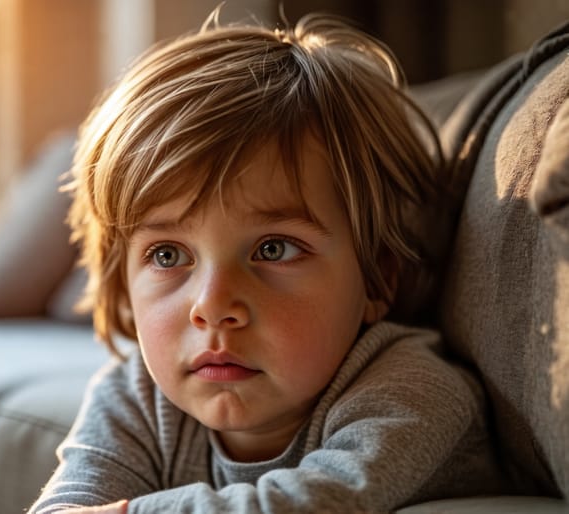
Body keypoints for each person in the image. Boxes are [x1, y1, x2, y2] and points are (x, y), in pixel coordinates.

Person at [29, 11, 506, 514]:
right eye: (167, 255)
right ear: (124, 289)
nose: (212, 306)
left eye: (273, 249)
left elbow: (314, 503)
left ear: (376, 278)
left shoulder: (415, 392)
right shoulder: (135, 397)